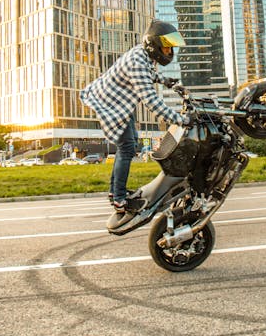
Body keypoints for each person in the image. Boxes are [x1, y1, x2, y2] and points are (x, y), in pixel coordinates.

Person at [80, 20, 191, 215]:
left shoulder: (143, 55)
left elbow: (149, 74)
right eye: (167, 49)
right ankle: (120, 200)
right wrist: (180, 120)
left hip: (120, 103)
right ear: (154, 45)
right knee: (127, 147)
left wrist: (167, 82)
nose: (169, 53)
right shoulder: (137, 62)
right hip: (111, 104)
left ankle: (115, 194)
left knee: (129, 144)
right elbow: (151, 101)